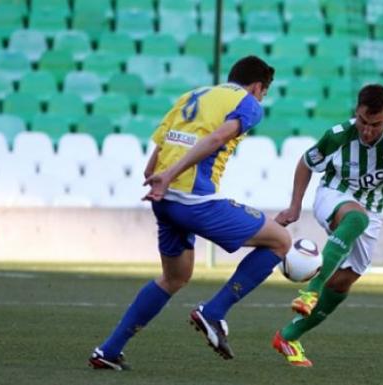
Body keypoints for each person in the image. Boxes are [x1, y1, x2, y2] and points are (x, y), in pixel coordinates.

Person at [89, 56, 292, 370]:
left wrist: (161, 178)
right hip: (193, 200)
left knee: (175, 277)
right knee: (280, 241)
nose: (261, 98)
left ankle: (109, 351)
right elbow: (216, 139)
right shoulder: (248, 103)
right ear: (256, 87)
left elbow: (158, 149)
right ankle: (214, 312)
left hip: (165, 200)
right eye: (263, 92)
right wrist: (170, 176)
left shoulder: (192, 96)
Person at [272, 84, 383, 367]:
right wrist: (295, 206)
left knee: (343, 282)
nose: (367, 131)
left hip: (373, 210)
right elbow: (306, 163)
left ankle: (288, 336)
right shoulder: (339, 135)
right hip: (333, 194)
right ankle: (310, 291)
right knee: (356, 218)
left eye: (375, 125)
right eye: (363, 122)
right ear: (357, 113)